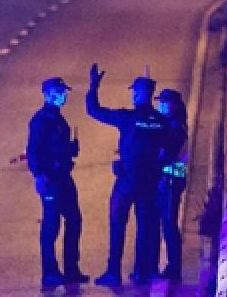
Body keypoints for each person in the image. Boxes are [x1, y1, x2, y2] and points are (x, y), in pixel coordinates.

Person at [86, 64, 169, 287]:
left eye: (134, 91)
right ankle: (142, 271)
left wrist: (93, 85)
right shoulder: (161, 122)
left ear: (141, 93)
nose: (132, 94)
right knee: (145, 227)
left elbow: (94, 110)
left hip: (127, 182)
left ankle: (113, 272)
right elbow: (168, 151)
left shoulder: (128, 118)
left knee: (117, 225)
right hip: (149, 183)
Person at [26, 77, 89, 288]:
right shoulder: (41, 120)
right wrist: (38, 175)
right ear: (47, 94)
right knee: (51, 225)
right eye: (60, 91)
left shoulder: (58, 118)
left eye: (64, 91)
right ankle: (50, 272)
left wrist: (70, 149)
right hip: (51, 179)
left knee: (74, 220)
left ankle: (71, 269)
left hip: (63, 176)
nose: (64, 95)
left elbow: (56, 147)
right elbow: (33, 151)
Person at [155, 88, 189, 282]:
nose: (160, 105)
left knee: (169, 224)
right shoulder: (169, 125)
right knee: (166, 224)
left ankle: (174, 268)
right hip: (168, 181)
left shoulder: (176, 128)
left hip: (171, 181)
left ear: (174, 105)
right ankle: (171, 266)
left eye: (164, 102)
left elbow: (166, 154)